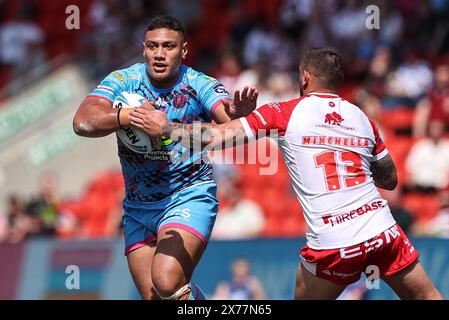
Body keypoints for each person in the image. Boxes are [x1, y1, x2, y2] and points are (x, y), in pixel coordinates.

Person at [135, 48, 444, 300]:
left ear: (304, 77)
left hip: (335, 240)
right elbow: (389, 179)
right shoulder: (362, 118)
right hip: (381, 229)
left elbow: (213, 138)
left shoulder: (285, 112)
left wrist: (163, 127)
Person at [73, 15, 257, 300]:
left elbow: (227, 122)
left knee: (166, 281)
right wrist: (130, 117)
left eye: (169, 47)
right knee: (156, 298)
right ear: (144, 48)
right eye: (153, 46)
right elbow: (83, 121)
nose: (159, 54)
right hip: (137, 206)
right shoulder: (123, 80)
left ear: (183, 50)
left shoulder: (198, 83)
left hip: (188, 195)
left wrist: (237, 115)